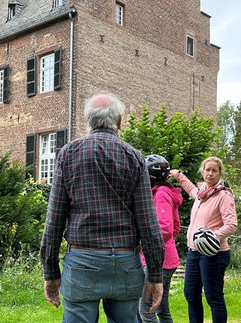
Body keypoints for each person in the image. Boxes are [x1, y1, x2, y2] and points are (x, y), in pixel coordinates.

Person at [40, 93, 165, 322]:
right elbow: (149, 224)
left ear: (89, 121)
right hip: (126, 263)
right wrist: (156, 275)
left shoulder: (68, 154)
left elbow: (54, 220)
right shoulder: (135, 158)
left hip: (82, 262)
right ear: (119, 122)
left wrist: (51, 272)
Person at [170, 156, 238, 323]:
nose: (210, 173)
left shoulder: (223, 195)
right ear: (202, 171)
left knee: (213, 297)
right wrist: (179, 175)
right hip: (194, 252)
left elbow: (232, 225)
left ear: (220, 173)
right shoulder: (203, 193)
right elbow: (192, 190)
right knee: (190, 294)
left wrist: (210, 237)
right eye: (207, 170)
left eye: (214, 170)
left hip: (214, 254)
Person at [138, 154, 183, 323]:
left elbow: (164, 229)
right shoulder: (164, 192)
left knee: (147, 311)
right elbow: (176, 227)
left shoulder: (161, 194)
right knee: (162, 308)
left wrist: (141, 243)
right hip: (167, 258)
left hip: (158, 261)